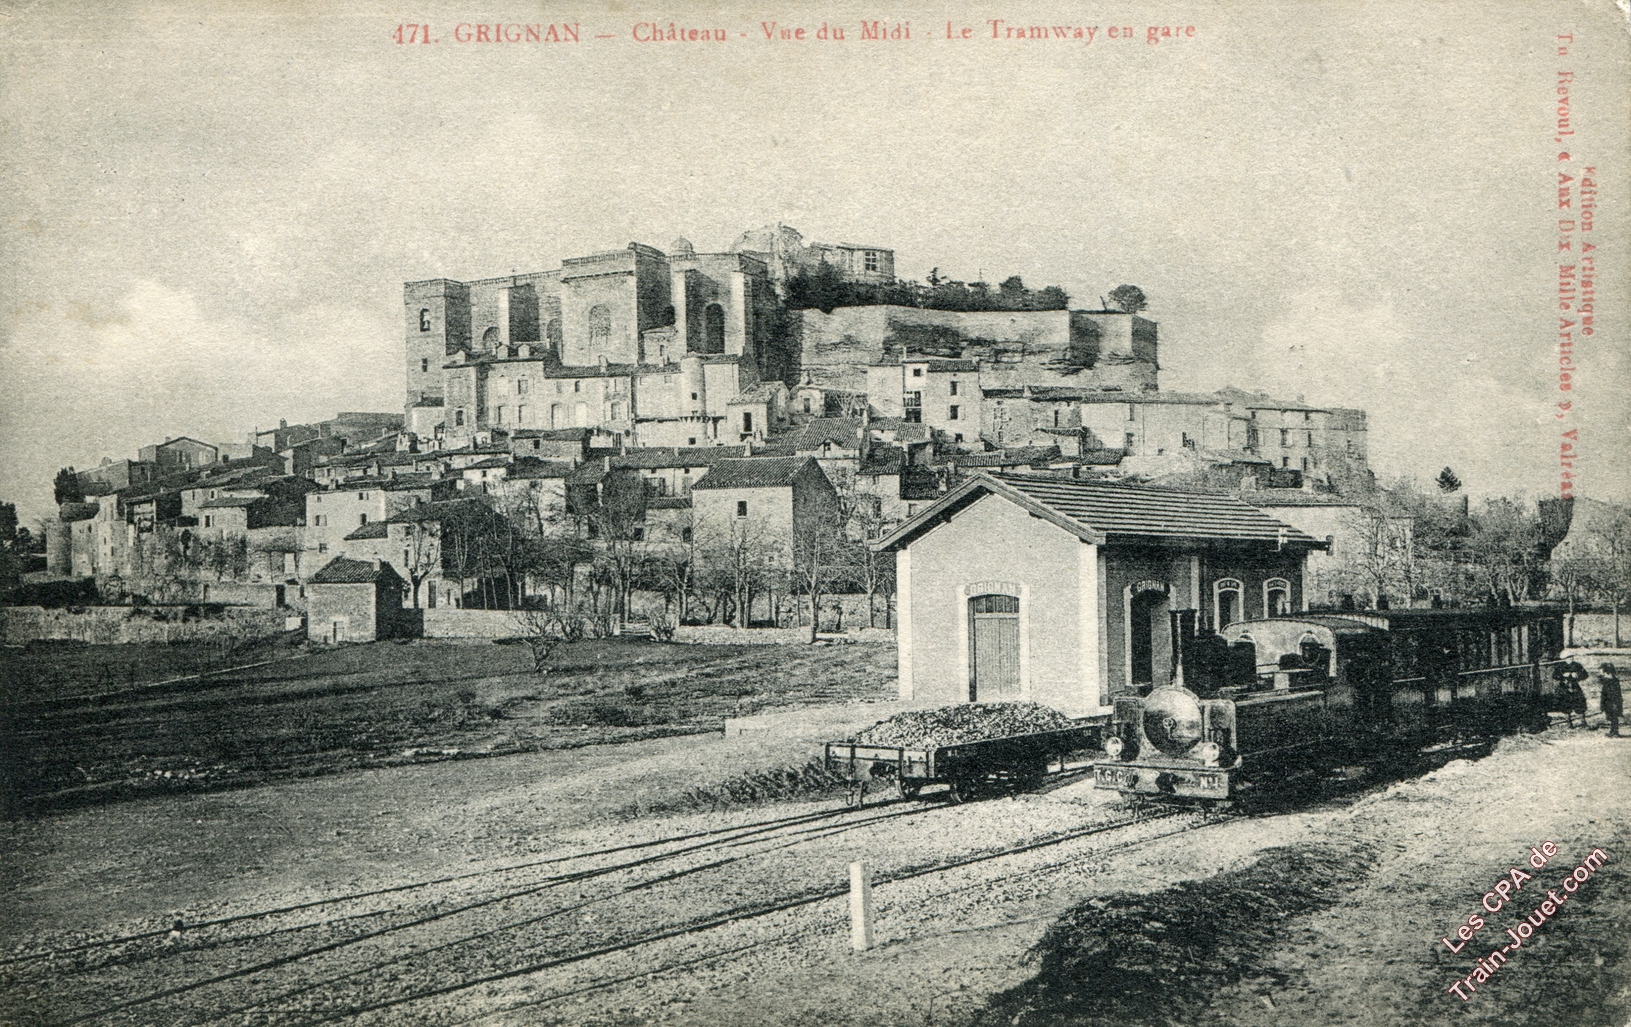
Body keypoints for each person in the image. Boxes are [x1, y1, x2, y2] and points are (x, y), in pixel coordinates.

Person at [1600, 664, 1622, 738]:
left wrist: (1615, 703)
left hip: (1613, 702)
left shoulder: (1612, 681)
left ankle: (1615, 732)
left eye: (1604, 674)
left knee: (1614, 717)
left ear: (1608, 673)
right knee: (1611, 717)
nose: (1603, 675)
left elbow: (1615, 694)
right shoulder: (1609, 680)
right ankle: (1612, 731)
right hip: (1609, 702)